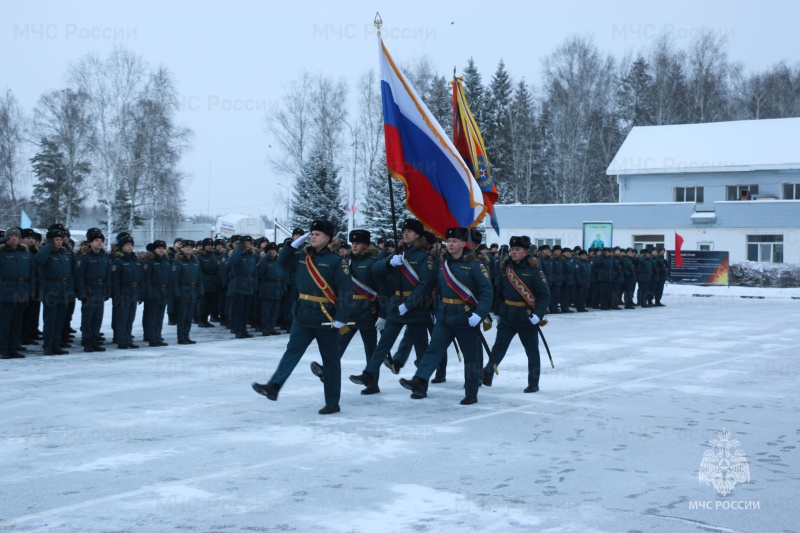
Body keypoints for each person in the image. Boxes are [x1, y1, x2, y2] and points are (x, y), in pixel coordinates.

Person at [252, 220, 353, 415]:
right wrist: (292, 245)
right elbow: (281, 262)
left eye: (317, 234)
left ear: (328, 238)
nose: (313, 236)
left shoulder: (336, 261)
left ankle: (332, 402)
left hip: (325, 316)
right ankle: (274, 386)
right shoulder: (302, 255)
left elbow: (346, 291)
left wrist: (341, 317)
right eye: (312, 233)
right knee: (292, 351)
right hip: (303, 314)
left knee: (330, 360)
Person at [399, 227, 493, 404]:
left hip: (467, 318)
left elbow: (487, 292)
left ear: (464, 243)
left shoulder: (475, 265)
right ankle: (419, 380)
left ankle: (471, 392)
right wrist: (436, 311)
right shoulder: (443, 265)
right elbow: (438, 291)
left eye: (454, 241)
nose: (450, 244)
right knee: (433, 350)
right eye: (448, 241)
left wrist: (479, 314)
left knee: (470, 357)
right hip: (444, 316)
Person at [349, 218, 436, 394]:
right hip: (396, 303)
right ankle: (369, 374)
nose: (405, 233)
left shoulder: (424, 257)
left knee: (420, 347)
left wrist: (408, 305)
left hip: (416, 306)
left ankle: (421, 384)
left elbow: (426, 284)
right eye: (404, 231)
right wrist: (389, 263)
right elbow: (375, 269)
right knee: (384, 343)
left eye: (410, 231)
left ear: (418, 235)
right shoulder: (398, 253)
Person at [480, 235, 551, 393]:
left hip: (527, 317)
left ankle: (533, 383)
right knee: (499, 347)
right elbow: (499, 293)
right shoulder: (505, 269)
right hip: (508, 316)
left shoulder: (534, 271)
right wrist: (498, 313)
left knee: (532, 351)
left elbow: (545, 296)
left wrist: (538, 315)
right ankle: (488, 373)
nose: (513, 252)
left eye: (517, 249)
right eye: (512, 249)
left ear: (526, 252)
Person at [310, 229, 380, 382]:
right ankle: (327, 371)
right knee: (337, 344)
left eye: (358, 243)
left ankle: (372, 381)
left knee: (370, 348)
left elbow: (381, 289)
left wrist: (382, 314)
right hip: (348, 311)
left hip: (367, 311)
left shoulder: (372, 262)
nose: (354, 246)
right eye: (352, 243)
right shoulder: (345, 261)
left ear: (366, 245)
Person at [35, 225, 75, 355]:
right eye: (56, 239)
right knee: (50, 319)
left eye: (60, 239)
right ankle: (48, 345)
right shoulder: (46, 252)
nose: (59, 242)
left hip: (63, 290)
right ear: (50, 241)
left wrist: (70, 291)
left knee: (59, 320)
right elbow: (38, 260)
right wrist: (48, 246)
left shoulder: (64, 254)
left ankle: (56, 344)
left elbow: (69, 274)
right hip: (50, 289)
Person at [74, 228, 112, 352]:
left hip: (100, 290)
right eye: (96, 240)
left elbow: (108, 277)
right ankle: (87, 341)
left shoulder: (104, 258)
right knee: (88, 318)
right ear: (90, 243)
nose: (99, 242)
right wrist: (82, 293)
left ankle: (95, 340)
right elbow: (79, 277)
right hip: (89, 290)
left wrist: (107, 291)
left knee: (97, 318)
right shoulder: (84, 258)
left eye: (101, 240)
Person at [0, 227, 34, 359]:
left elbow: (31, 274)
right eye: (11, 236)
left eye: (16, 236)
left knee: (17, 322)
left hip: (22, 290)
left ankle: (14, 348)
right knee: (5, 323)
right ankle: (3, 349)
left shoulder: (25, 254)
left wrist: (31, 290)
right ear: (7, 239)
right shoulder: (2, 253)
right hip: (6, 290)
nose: (14, 238)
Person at [112, 234, 144, 349]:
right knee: (122, 318)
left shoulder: (135, 260)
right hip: (123, 292)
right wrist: (117, 295)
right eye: (127, 245)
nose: (130, 247)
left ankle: (128, 339)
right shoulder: (118, 261)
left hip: (134, 291)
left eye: (131, 245)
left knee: (130, 318)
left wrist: (140, 292)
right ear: (121, 247)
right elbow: (115, 280)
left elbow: (140, 278)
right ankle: (122, 340)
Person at [172, 239, 204, 344]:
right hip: (183, 291)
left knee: (189, 316)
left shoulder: (195, 262)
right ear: (182, 248)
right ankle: (181, 337)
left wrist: (200, 290)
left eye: (191, 247)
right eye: (187, 247)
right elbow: (175, 279)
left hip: (193, 291)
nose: (189, 249)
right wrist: (177, 292)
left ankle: (186, 336)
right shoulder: (178, 262)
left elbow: (199, 278)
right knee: (182, 316)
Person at [228, 235, 258, 338]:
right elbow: (232, 262)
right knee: (239, 310)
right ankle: (238, 330)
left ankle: (244, 329)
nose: (248, 245)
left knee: (246, 310)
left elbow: (255, 271)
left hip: (249, 285)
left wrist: (255, 285)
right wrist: (240, 250)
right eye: (245, 243)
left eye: (249, 243)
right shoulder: (238, 254)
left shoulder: (252, 255)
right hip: (240, 284)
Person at [142, 240, 171, 347]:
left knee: (159, 317)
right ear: (154, 249)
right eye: (159, 248)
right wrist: (149, 293)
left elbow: (169, 278)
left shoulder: (166, 261)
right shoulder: (149, 262)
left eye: (163, 248)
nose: (161, 250)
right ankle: (151, 337)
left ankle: (158, 336)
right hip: (154, 291)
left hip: (163, 292)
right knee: (152, 317)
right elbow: (147, 279)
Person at [256, 242, 285, 335]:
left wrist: (283, 287)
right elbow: (259, 270)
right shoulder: (263, 261)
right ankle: (265, 328)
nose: (273, 252)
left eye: (274, 251)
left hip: (277, 287)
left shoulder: (278, 261)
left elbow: (283, 274)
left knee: (275, 311)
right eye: (270, 251)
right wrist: (265, 258)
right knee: (266, 311)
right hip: (267, 288)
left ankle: (271, 327)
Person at [197, 237, 221, 328]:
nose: (209, 247)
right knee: (203, 303)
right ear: (203, 246)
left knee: (210, 302)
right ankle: (201, 319)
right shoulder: (200, 257)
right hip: (204, 280)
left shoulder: (213, 256)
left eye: (211, 245)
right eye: (207, 245)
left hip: (212, 281)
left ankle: (206, 319)